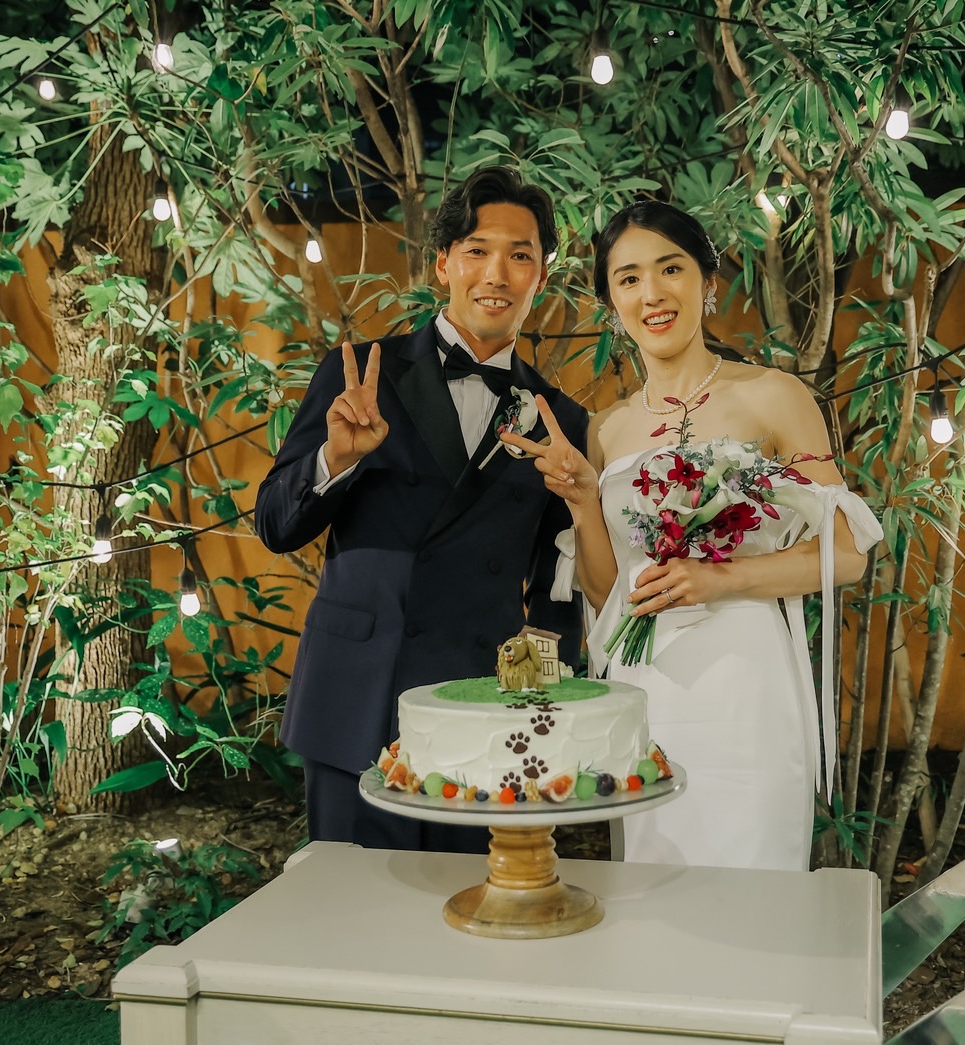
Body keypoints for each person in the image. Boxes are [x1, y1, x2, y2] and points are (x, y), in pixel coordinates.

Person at [502, 200, 882, 871]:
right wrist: (584, 501)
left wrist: (720, 578)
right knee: (652, 882)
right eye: (628, 278)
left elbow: (847, 553)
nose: (651, 293)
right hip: (645, 688)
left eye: (670, 269)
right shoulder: (606, 428)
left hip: (745, 679)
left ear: (707, 281)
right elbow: (607, 596)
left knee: (751, 871)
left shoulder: (774, 395)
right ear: (611, 303)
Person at [254, 167, 588, 853]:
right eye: (477, 250)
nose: (496, 274)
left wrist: (530, 713)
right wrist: (336, 459)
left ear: (542, 275)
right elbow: (276, 526)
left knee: (469, 905)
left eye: (519, 255)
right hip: (358, 695)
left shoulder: (560, 420)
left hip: (478, 707)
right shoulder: (360, 374)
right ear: (443, 263)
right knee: (351, 902)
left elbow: (557, 594)